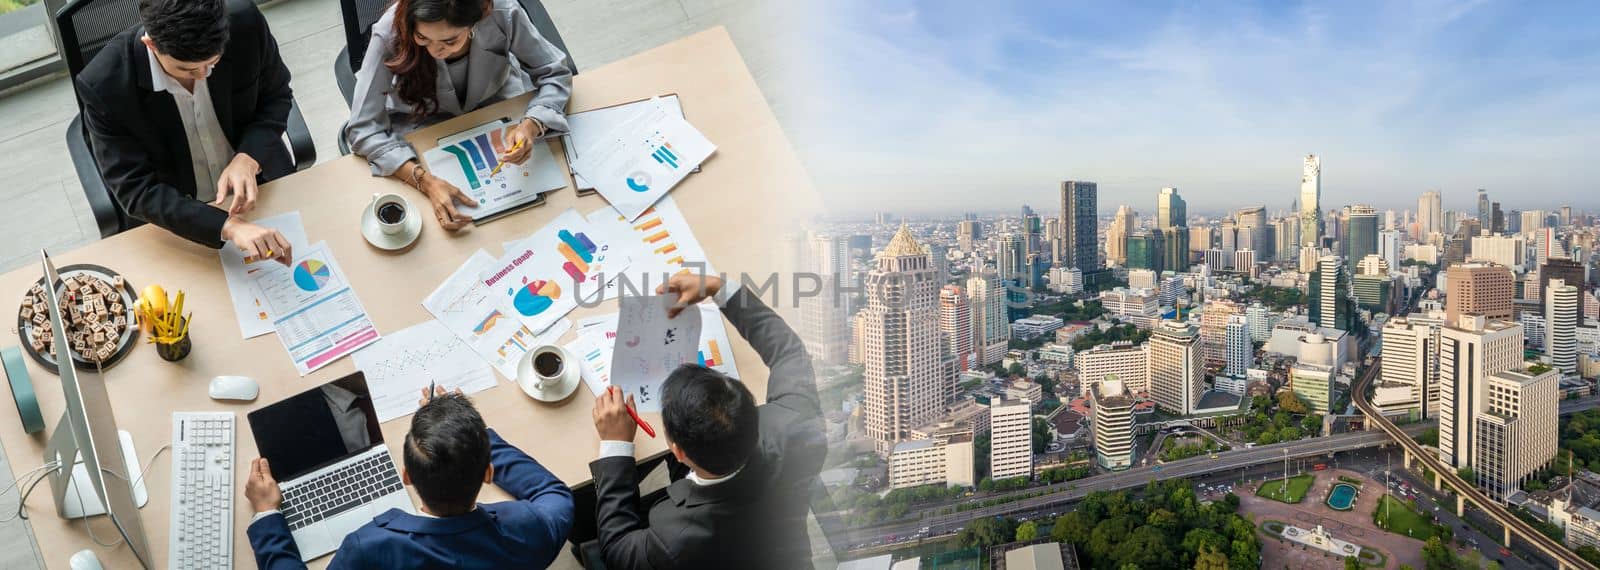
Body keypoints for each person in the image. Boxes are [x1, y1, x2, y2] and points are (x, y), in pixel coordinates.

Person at [577, 273, 826, 568]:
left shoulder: (675, 539)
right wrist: (721, 288)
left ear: (678, 451)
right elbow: (790, 353)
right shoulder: (795, 426)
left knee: (579, 512)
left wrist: (615, 445)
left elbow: (618, 551)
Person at [244, 388, 574, 569]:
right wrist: (468, 436)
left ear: (406, 477)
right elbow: (555, 494)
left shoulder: (368, 550)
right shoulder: (529, 528)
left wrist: (267, 517)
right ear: (488, 473)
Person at [77, 0, 297, 264]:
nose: (202, 75)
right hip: (179, 216)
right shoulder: (104, 85)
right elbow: (136, 189)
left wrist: (247, 157)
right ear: (151, 44)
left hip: (261, 187)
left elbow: (277, 97)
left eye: (212, 63)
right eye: (187, 69)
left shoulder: (245, 24)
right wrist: (227, 226)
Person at [345, 0, 572, 232]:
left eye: (450, 40)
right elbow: (363, 128)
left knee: (540, 215)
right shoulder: (389, 30)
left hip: (496, 104)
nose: (434, 51)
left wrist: (533, 123)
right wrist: (425, 181)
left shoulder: (504, 11)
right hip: (422, 124)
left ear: (476, 22)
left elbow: (555, 73)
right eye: (422, 38)